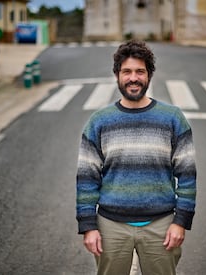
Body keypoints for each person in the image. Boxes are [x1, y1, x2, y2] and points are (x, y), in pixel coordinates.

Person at [76, 40, 197, 275]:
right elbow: (86, 179)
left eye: (140, 71)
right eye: (127, 71)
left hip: (161, 226)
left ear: (149, 75)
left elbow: (188, 175)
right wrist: (88, 226)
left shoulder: (172, 118)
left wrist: (180, 221)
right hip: (111, 226)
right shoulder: (99, 121)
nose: (133, 78)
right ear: (117, 75)